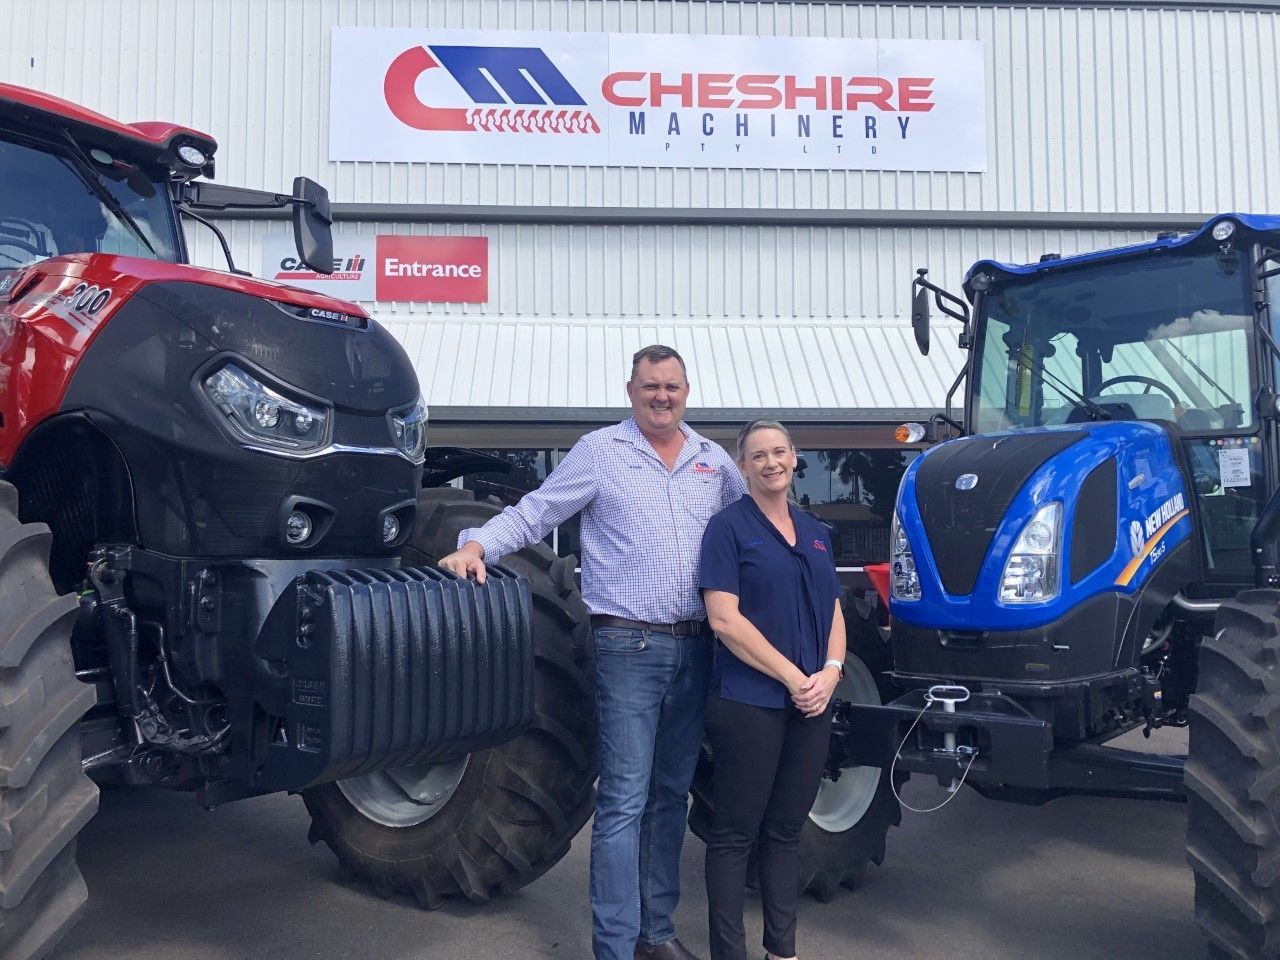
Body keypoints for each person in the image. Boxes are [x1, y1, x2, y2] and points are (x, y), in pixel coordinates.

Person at [438, 344, 746, 960]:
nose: (662, 396)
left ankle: (656, 934)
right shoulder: (600, 452)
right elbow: (537, 512)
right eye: (650, 386)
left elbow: (751, 530)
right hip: (627, 645)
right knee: (625, 799)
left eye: (672, 386)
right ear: (631, 392)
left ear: (688, 392)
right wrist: (476, 545)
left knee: (670, 796)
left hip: (697, 648)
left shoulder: (714, 462)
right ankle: (615, 946)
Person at [698, 419, 845, 960]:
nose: (770, 462)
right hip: (749, 704)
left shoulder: (816, 532)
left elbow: (833, 609)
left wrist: (831, 671)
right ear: (742, 467)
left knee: (785, 830)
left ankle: (782, 951)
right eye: (757, 455)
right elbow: (723, 619)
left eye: (779, 451)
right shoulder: (727, 529)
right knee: (735, 834)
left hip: (812, 702)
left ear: (794, 457)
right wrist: (792, 677)